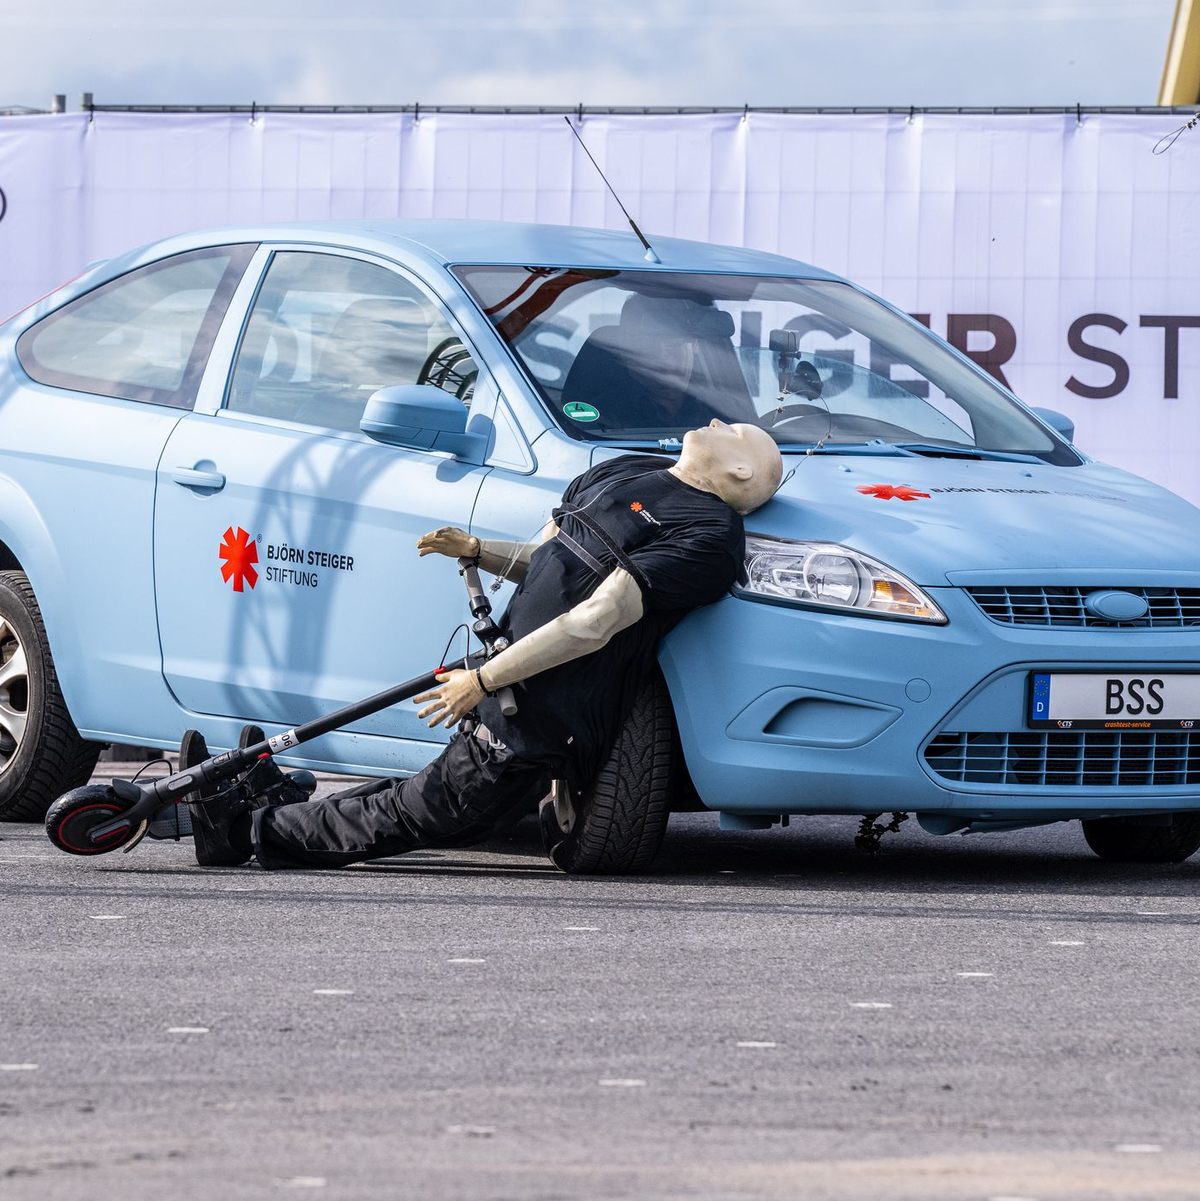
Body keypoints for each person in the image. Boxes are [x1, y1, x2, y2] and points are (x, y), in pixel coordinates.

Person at [184, 419, 784, 869]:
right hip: (505, 679)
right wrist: (480, 552)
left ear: (741, 474)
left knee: (423, 811)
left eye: (734, 432)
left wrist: (484, 681)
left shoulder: (710, 535)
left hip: (539, 716)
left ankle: (240, 833)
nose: (715, 422)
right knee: (415, 799)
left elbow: (596, 620)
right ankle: (258, 808)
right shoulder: (629, 474)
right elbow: (555, 561)